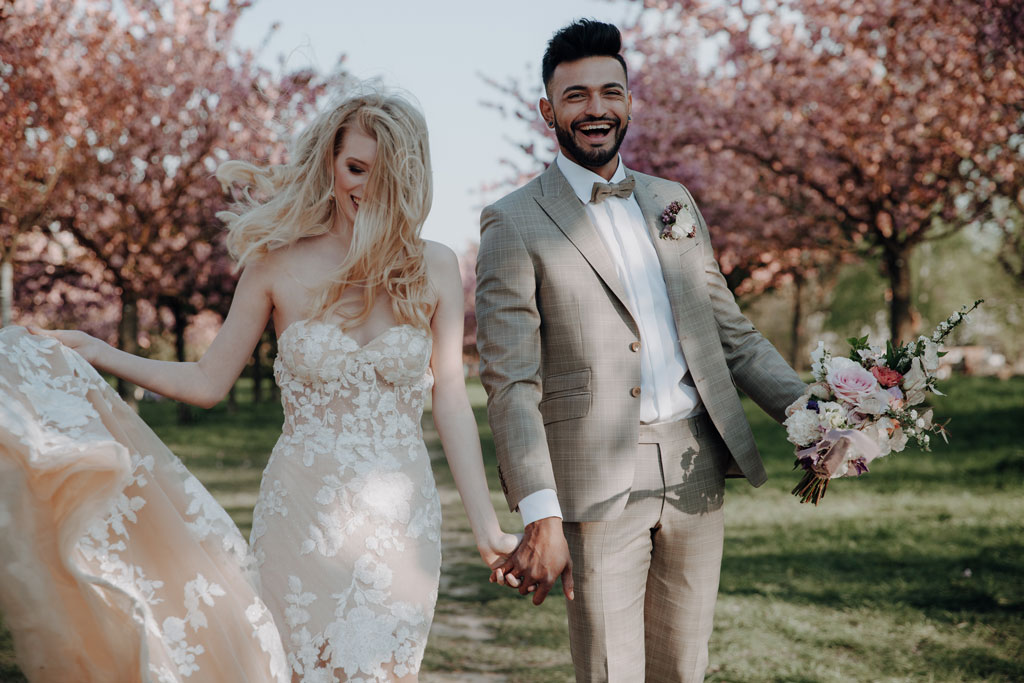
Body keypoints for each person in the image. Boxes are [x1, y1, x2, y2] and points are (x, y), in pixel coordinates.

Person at [2, 90, 518, 682]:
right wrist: (99, 351)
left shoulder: (433, 265)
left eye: (388, 174)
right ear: (330, 162)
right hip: (302, 514)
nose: (366, 189)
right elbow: (205, 380)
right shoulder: (276, 264)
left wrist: (485, 528)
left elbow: (449, 395)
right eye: (355, 168)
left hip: (402, 527)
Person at [475, 20, 807, 682]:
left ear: (629, 101)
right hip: (594, 476)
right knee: (608, 669)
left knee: (684, 665)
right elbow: (510, 382)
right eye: (575, 96)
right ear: (548, 110)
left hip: (695, 465)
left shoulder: (671, 202)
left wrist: (813, 417)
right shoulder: (512, 221)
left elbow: (731, 334)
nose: (595, 109)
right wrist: (540, 510)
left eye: (610, 92)